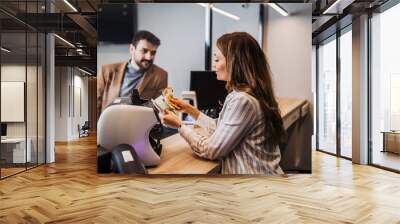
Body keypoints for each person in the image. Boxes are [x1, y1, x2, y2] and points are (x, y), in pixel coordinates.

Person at [162, 32, 287, 175]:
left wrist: (180, 125)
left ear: (235, 62)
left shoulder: (242, 101)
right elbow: (222, 130)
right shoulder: (247, 95)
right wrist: (190, 110)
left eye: (217, 59)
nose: (214, 65)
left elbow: (211, 149)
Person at [97, 30, 168, 117]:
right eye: (144, 51)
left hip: (139, 126)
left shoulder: (160, 75)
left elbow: (160, 109)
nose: (149, 57)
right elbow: (95, 103)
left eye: (153, 52)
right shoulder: (107, 71)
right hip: (108, 123)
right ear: (132, 49)